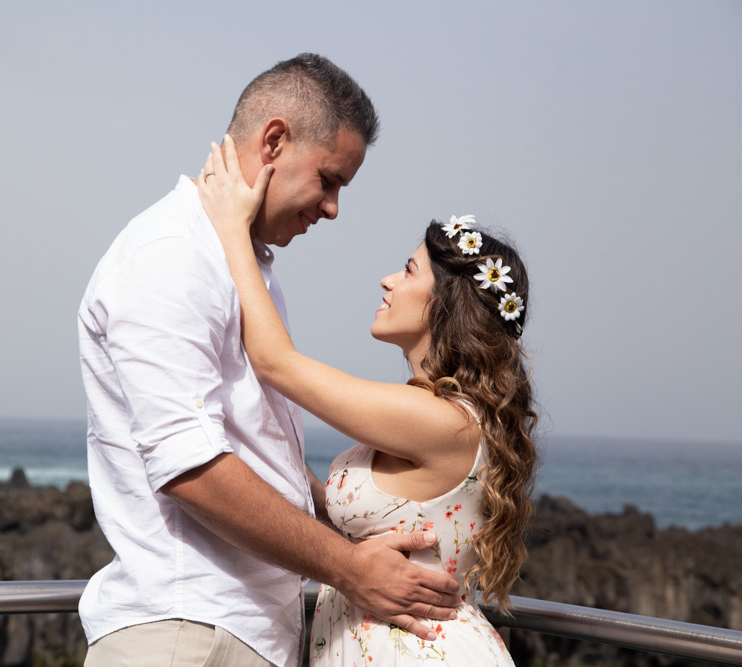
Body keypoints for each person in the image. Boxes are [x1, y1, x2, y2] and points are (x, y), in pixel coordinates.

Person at [77, 54, 461, 667]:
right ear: (275, 140)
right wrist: (347, 568)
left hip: (237, 633)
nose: (333, 208)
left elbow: (262, 455)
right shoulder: (170, 256)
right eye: (329, 180)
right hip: (187, 633)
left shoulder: (242, 265)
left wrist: (356, 535)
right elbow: (190, 467)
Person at [195, 136, 537, 665]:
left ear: (447, 305)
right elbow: (339, 513)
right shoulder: (426, 410)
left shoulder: (441, 420)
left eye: (408, 270)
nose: (387, 280)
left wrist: (232, 229)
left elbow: (275, 362)